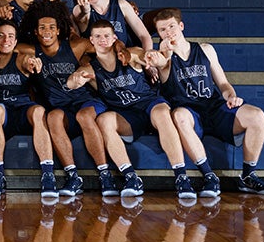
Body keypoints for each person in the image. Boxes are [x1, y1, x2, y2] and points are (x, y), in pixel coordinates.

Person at [148, 8, 264, 195]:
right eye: (162, 30)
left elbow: (223, 83)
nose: (168, 32)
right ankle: (209, 176)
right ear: (158, 34)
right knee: (179, 116)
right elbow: (163, 63)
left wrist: (231, 96)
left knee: (256, 115)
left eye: (171, 26)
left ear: (181, 26)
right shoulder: (163, 57)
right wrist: (165, 53)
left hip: (214, 107)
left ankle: (248, 176)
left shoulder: (205, 49)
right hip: (189, 112)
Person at [68, 20, 196, 198]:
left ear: (114, 38)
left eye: (106, 35)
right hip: (127, 116)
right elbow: (72, 81)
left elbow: (150, 56)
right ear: (91, 40)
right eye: (98, 36)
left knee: (162, 113)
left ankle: (181, 177)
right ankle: (131, 177)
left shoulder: (131, 53)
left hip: (149, 105)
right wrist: (76, 80)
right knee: (104, 120)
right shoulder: (90, 68)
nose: (102, 39)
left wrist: (156, 57)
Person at [16, 0, 122, 197]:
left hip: (86, 102)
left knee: (84, 116)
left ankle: (105, 175)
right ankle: (73, 176)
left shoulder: (76, 46)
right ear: (36, 32)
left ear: (58, 30)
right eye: (42, 28)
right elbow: (12, 49)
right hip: (61, 108)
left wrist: (122, 48)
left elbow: (109, 44)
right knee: (53, 117)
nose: (46, 31)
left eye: (51, 27)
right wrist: (27, 62)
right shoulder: (31, 50)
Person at [0, 18, 57, 198]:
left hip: (23, 109)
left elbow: (28, 61)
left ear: (16, 42)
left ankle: (48, 174)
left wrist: (32, 63)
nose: (6, 40)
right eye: (0, 36)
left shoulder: (21, 58)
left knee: (39, 111)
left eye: (10, 36)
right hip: (2, 114)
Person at [70, 0, 152, 50]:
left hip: (123, 58)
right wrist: (85, 9)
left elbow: (144, 36)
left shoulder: (121, 5)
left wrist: (148, 56)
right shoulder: (79, 9)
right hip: (96, 60)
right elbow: (82, 14)